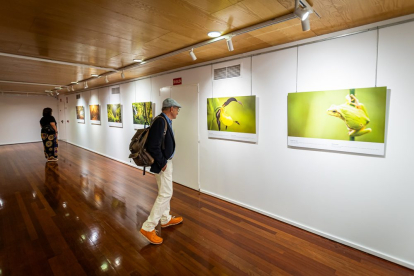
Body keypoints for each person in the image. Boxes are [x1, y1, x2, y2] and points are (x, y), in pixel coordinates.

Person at [140, 98, 183, 244]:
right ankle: (148, 227)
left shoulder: (165, 121)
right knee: (166, 193)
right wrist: (163, 162)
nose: (178, 111)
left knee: (165, 191)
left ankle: (165, 219)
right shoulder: (160, 121)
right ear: (171, 109)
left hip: (165, 163)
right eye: (177, 109)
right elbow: (153, 145)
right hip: (163, 164)